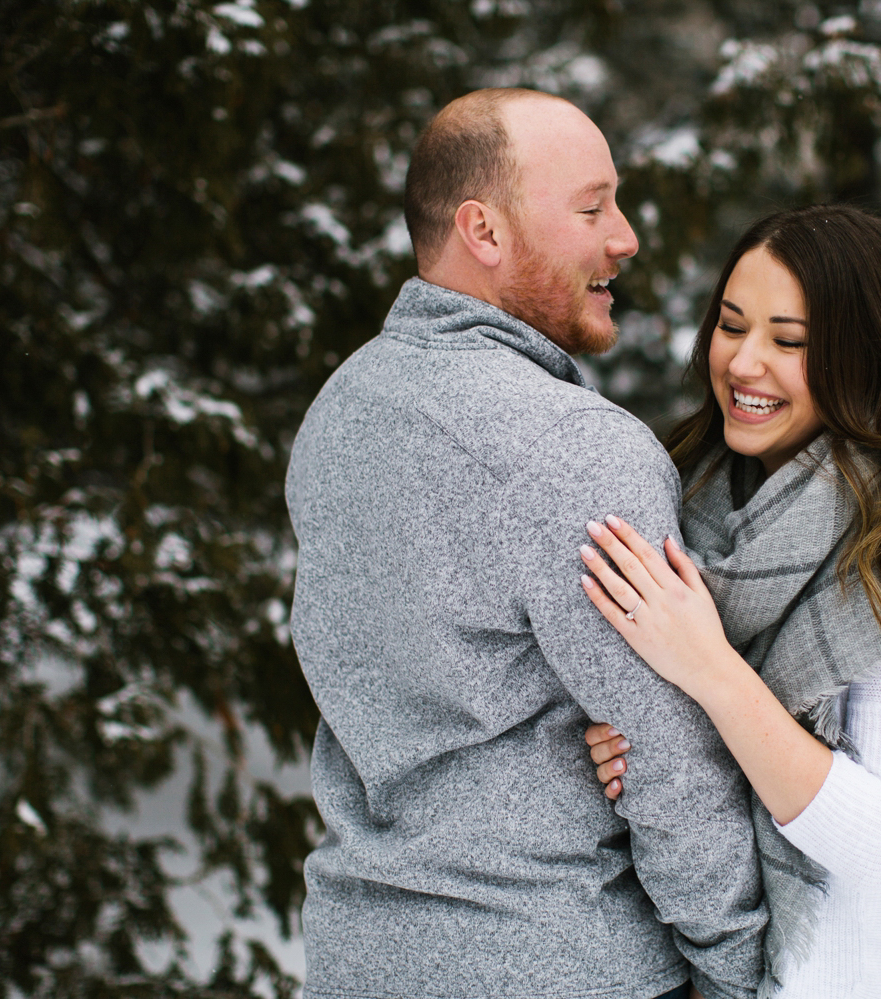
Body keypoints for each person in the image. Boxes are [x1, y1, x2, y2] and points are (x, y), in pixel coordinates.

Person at [285, 88, 766, 999]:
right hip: (558, 960)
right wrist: (743, 968)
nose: (624, 237)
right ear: (485, 230)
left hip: (360, 962)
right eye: (592, 207)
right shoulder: (574, 446)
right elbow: (667, 755)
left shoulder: (341, 411)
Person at [575, 206, 881, 999]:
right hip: (725, 968)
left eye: (789, 341)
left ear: (868, 356)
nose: (745, 363)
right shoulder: (685, 496)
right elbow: (692, 741)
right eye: (732, 326)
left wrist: (707, 669)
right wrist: (642, 740)